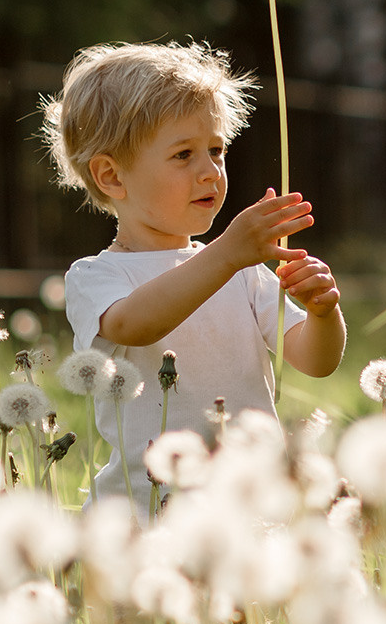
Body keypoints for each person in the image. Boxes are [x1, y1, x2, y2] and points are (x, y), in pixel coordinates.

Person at [43, 40, 346, 507]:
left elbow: (315, 361)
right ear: (112, 177)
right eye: (183, 154)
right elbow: (135, 325)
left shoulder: (241, 270)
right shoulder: (96, 277)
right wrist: (227, 254)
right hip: (146, 512)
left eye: (216, 150)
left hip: (249, 505)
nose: (210, 172)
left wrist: (324, 314)